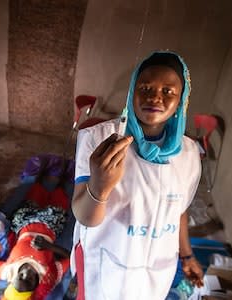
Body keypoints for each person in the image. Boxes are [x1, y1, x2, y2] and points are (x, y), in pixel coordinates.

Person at [71, 51, 204, 299]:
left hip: (156, 271)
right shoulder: (100, 139)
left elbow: (179, 210)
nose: (155, 97)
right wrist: (99, 187)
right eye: (145, 87)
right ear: (132, 91)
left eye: (168, 91)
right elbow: (84, 217)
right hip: (106, 262)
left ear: (181, 100)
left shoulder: (189, 154)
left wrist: (187, 256)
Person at [0, 180, 71, 300]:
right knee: (60, 192)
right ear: (36, 285)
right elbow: (69, 257)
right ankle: (61, 178)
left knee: (36, 190)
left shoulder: (7, 271)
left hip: (24, 221)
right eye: (30, 279)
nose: (26, 272)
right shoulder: (47, 273)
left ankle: (43, 174)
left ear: (12, 281)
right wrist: (48, 246)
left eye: (20, 276)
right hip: (50, 224)